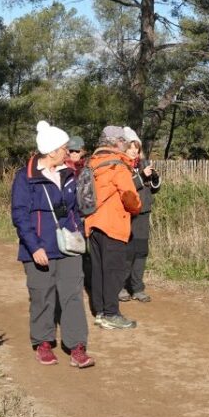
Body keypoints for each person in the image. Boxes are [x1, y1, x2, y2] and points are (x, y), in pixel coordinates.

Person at [10, 121, 94, 368]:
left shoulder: (68, 174)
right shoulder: (25, 177)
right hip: (39, 248)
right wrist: (34, 247)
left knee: (73, 296)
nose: (68, 152)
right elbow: (20, 216)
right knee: (42, 296)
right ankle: (43, 343)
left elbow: (74, 210)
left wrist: (77, 232)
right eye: (65, 148)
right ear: (52, 150)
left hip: (69, 247)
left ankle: (77, 347)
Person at [84, 125, 142, 329]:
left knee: (98, 270)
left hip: (93, 224)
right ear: (116, 142)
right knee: (114, 272)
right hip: (113, 224)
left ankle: (100, 312)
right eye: (123, 140)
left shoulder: (92, 163)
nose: (125, 144)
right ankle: (111, 313)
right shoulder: (118, 166)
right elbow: (130, 197)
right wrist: (136, 207)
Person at [119, 127, 160, 303]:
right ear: (124, 148)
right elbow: (125, 188)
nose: (134, 151)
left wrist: (155, 179)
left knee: (141, 251)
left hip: (143, 213)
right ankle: (120, 286)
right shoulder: (120, 165)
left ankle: (137, 288)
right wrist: (141, 177)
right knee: (127, 252)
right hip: (127, 214)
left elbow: (153, 189)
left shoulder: (143, 164)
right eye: (131, 147)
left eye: (137, 147)